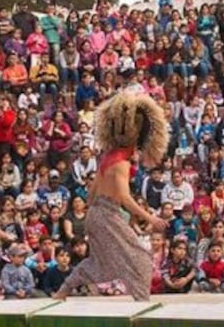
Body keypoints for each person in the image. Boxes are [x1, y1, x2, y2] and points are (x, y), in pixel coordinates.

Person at [52, 92, 169, 302]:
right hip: (106, 215)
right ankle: (142, 302)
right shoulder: (121, 163)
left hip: (96, 213)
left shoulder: (108, 158)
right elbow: (124, 197)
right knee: (141, 258)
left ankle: (63, 290)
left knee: (102, 265)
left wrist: (96, 213)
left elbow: (91, 194)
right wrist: (150, 218)